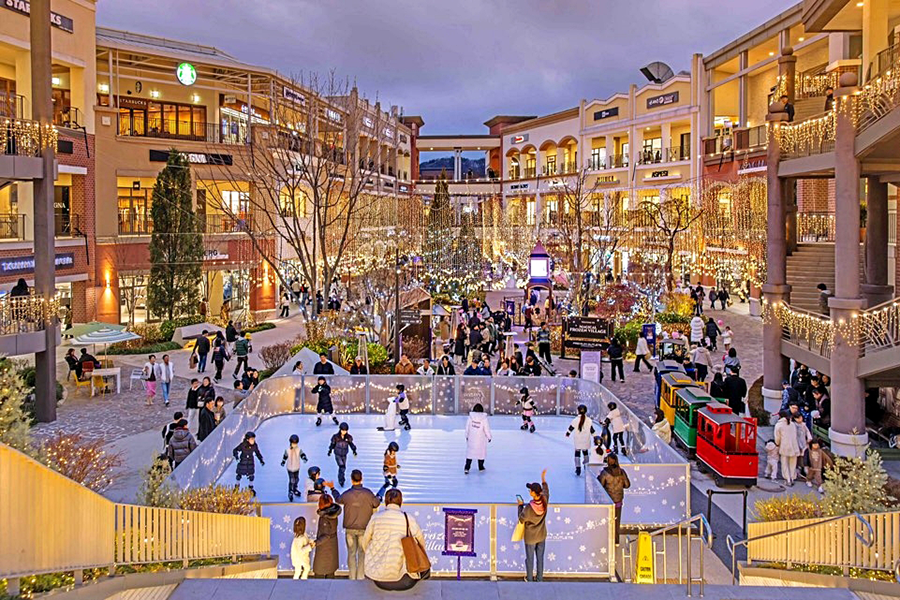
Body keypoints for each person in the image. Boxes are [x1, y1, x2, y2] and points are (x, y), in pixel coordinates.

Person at [361, 488, 427, 590]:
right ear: (401, 501)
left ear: (386, 501)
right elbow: (421, 542)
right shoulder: (408, 518)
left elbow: (365, 542)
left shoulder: (376, 517)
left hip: (377, 577)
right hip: (403, 579)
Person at [335, 469, 382, 579]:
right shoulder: (368, 493)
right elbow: (376, 503)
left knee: (351, 553)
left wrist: (333, 489)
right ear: (361, 479)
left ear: (351, 480)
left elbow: (338, 499)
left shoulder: (347, 494)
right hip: (364, 528)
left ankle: (352, 577)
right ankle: (360, 577)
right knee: (362, 553)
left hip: (350, 529)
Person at [517, 469, 550, 582]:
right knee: (540, 558)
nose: (529, 491)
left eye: (530, 490)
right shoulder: (544, 500)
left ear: (533, 493)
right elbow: (546, 490)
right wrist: (543, 478)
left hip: (531, 537)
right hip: (541, 535)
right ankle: (539, 578)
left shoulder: (529, 508)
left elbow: (521, 519)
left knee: (530, 558)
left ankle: (530, 578)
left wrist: (520, 506)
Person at [599, 452, 630, 542]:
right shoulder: (622, 472)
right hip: (618, 500)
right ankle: (616, 540)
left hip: (608, 501)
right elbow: (627, 485)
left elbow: (601, 485)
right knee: (617, 521)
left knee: (607, 521)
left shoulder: (605, 473)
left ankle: (607, 540)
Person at [313, 489, 342, 578]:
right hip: (332, 546)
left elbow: (326, 535)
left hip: (324, 548)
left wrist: (315, 543)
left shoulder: (325, 518)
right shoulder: (333, 514)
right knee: (330, 573)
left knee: (319, 574)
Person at [566, 405, 595, 475]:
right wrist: (595, 436)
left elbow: (571, 428)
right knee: (585, 453)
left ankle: (578, 468)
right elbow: (592, 430)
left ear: (578, 411)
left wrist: (568, 433)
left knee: (577, 453)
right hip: (586, 439)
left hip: (578, 440)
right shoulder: (589, 420)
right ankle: (586, 466)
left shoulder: (575, 420)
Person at [774, 410, 801, 486]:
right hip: (794, 446)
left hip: (784, 446)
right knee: (793, 464)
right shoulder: (792, 424)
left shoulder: (778, 425)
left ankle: (787, 479)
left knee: (784, 464)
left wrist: (777, 444)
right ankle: (792, 478)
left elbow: (777, 438)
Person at [465, 403, 492, 474]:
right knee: (481, 454)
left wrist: (466, 436)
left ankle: (467, 468)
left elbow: (467, 427)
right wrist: (489, 437)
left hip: (472, 438)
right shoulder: (484, 418)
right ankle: (481, 467)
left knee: (470, 453)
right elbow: (486, 429)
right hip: (480, 440)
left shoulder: (470, 417)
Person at [328, 422, 358, 487]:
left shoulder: (348, 437)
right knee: (341, 466)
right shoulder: (336, 437)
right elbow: (332, 444)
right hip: (337, 454)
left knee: (343, 467)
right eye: (342, 430)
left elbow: (351, 444)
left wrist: (354, 450)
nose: (344, 432)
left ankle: (341, 478)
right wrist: (330, 450)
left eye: (345, 430)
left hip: (344, 454)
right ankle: (341, 480)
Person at [281, 434, 309, 502]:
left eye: (295, 443)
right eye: (293, 443)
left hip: (296, 467)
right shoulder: (287, 450)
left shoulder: (299, 450)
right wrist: (283, 462)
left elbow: (302, 454)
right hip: (290, 468)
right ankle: (290, 491)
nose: (294, 445)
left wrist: (304, 458)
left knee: (297, 479)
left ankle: (295, 489)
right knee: (292, 480)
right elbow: (285, 456)